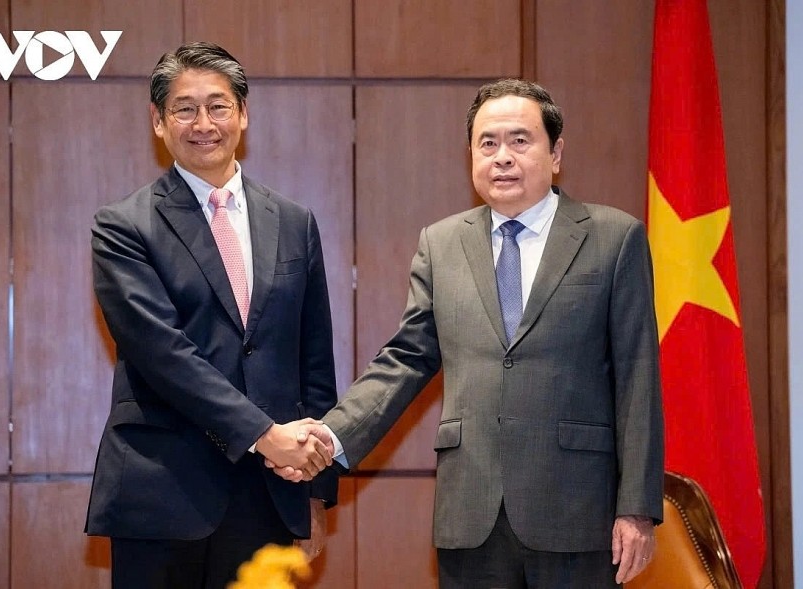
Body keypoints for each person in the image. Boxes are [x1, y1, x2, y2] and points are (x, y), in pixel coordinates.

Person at [273, 79, 664, 588]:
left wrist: (636, 509)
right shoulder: (442, 243)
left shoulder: (614, 238)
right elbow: (407, 359)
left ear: (556, 152)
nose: (502, 156)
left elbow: (639, 379)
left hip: (578, 514)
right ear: (471, 156)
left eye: (520, 140)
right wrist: (331, 434)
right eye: (488, 143)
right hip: (471, 515)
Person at [84, 42, 337, 589]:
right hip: (161, 496)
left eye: (218, 106)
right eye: (184, 108)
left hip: (271, 494)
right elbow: (164, 356)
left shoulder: (294, 222)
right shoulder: (122, 226)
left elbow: (314, 361)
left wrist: (315, 494)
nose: (204, 123)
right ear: (158, 121)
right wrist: (265, 433)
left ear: (243, 114)